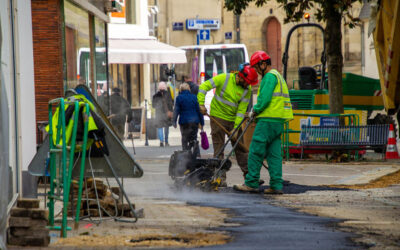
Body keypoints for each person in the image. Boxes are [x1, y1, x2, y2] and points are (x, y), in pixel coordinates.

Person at [234, 51, 293, 195]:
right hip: (278, 120)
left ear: (263, 64)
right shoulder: (279, 76)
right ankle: (276, 185)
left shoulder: (269, 77)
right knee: (274, 154)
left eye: (256, 67)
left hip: (267, 119)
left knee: (255, 150)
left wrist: (255, 111)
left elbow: (264, 99)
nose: (255, 71)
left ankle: (251, 183)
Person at [197, 64, 259, 184]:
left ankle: (249, 177)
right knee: (219, 148)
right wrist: (201, 103)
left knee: (240, 147)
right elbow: (204, 86)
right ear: (241, 77)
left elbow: (241, 111)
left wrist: (236, 129)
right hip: (217, 117)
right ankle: (220, 177)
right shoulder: (224, 78)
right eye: (247, 82)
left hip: (233, 119)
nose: (248, 85)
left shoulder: (247, 89)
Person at [173, 83, 204, 156]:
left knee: (184, 139)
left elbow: (176, 110)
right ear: (189, 89)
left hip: (184, 122)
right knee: (194, 138)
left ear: (181, 90)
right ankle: (197, 155)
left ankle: (185, 155)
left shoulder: (179, 98)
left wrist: (174, 122)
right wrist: (202, 122)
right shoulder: (194, 97)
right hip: (194, 122)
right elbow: (198, 111)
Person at [152, 82, 173, 147]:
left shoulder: (155, 96)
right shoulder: (168, 95)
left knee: (160, 127)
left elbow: (153, 106)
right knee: (166, 127)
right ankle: (166, 141)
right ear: (165, 87)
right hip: (167, 113)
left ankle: (161, 141)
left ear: (158, 87)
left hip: (159, 114)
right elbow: (171, 104)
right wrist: (171, 112)